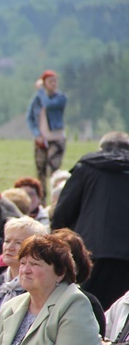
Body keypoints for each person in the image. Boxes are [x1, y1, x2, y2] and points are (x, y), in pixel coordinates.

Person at [51, 131, 129, 309]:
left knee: (86, 306)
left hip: (92, 252)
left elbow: (63, 211)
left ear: (101, 148)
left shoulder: (87, 167)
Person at [26, 70, 67, 197]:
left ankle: (57, 197)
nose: (54, 84)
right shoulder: (36, 100)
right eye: (50, 81)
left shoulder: (60, 98)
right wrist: (36, 133)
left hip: (56, 138)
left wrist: (40, 91)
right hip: (41, 139)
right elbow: (30, 117)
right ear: (45, 83)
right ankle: (41, 199)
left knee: (54, 168)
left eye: (55, 81)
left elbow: (48, 105)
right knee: (41, 171)